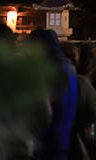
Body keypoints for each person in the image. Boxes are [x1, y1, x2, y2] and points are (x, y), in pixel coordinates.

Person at [30, 29, 78, 160]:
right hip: (63, 134)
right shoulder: (68, 67)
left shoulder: (49, 69)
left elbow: (45, 111)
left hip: (48, 139)